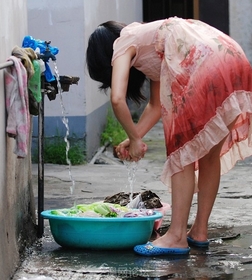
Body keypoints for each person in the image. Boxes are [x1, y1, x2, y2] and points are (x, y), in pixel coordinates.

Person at [86, 17, 252, 256]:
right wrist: (133, 136)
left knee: (181, 151)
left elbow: (117, 99)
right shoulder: (149, 40)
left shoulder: (122, 43)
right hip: (232, 58)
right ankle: (199, 231)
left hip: (204, 63)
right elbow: (155, 106)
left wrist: (134, 140)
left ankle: (175, 236)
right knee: (208, 156)